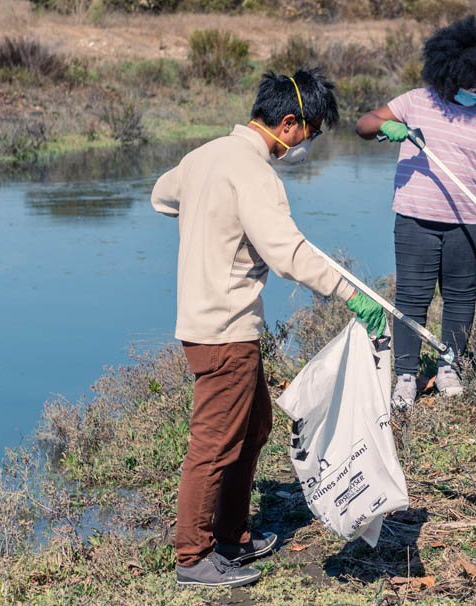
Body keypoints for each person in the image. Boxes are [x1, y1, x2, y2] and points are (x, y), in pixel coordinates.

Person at [151, 69, 387, 589]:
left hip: (211, 323)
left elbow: (161, 197)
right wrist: (354, 294)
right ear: (288, 123)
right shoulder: (256, 174)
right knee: (213, 443)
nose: (309, 143)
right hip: (224, 329)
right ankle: (193, 556)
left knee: (255, 427)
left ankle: (232, 534)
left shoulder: (205, 156)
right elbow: (289, 253)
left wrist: (207, 217)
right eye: (312, 133)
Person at [355, 15, 476, 409]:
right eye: (468, 84)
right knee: (412, 297)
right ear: (448, 72)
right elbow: (365, 123)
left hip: (467, 222)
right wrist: (383, 127)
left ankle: (449, 365)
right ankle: (406, 376)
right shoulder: (416, 102)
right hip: (415, 219)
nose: (474, 92)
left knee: (461, 297)